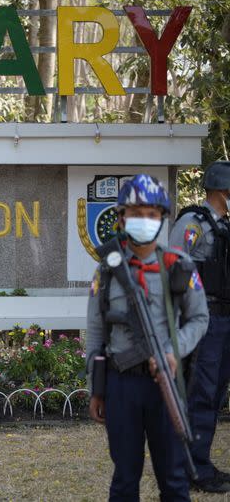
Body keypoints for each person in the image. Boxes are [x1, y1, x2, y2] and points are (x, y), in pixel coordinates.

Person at [86, 174, 208, 501]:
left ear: (162, 219)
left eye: (152, 214)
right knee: (125, 478)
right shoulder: (107, 270)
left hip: (166, 380)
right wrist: (96, 390)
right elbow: (96, 332)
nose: (144, 220)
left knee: (174, 479)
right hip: (121, 384)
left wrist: (173, 350)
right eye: (137, 213)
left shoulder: (178, 266)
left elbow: (199, 319)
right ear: (122, 217)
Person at [170, 161, 230, 493]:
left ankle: (200, 460)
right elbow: (173, 268)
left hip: (225, 321)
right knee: (202, 394)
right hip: (205, 319)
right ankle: (192, 469)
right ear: (223, 191)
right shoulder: (193, 223)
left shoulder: (224, 225)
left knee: (215, 393)